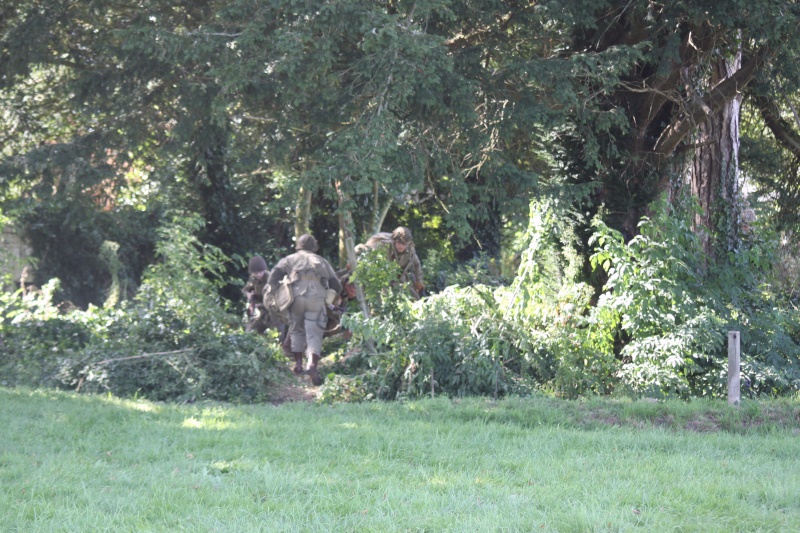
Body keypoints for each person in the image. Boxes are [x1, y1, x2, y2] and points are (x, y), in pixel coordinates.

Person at [267, 234, 342, 385]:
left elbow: (273, 277)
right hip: (317, 299)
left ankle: (299, 364)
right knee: (314, 331)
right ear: (314, 247)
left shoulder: (288, 259)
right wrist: (329, 299)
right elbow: (337, 285)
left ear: (298, 246)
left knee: (297, 329)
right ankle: (312, 365)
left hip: (296, 298)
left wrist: (276, 293)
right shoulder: (322, 261)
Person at [357, 226, 425, 298]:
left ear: (408, 243)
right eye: (399, 242)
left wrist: (418, 280)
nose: (401, 246)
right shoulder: (382, 244)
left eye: (404, 244)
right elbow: (364, 249)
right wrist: (355, 260)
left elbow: (416, 264)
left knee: (415, 297)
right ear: (394, 240)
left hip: (397, 280)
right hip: (379, 279)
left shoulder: (410, 251)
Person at [242, 255, 271, 334]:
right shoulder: (253, 278)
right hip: (258, 312)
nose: (258, 275)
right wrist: (248, 294)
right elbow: (245, 289)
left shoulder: (271, 279)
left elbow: (275, 300)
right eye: (255, 273)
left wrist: (260, 305)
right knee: (250, 331)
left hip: (272, 312)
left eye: (261, 272)